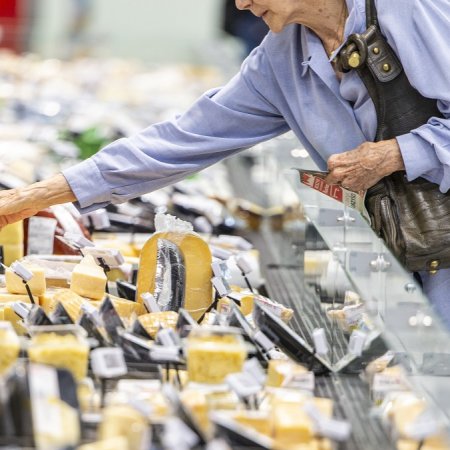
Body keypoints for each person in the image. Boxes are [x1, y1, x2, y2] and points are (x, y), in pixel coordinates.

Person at [0, 0, 449, 323]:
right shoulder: (281, 59)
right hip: (408, 256)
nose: (241, 2)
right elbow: (178, 141)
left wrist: (396, 154)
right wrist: (27, 197)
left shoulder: (406, 9)